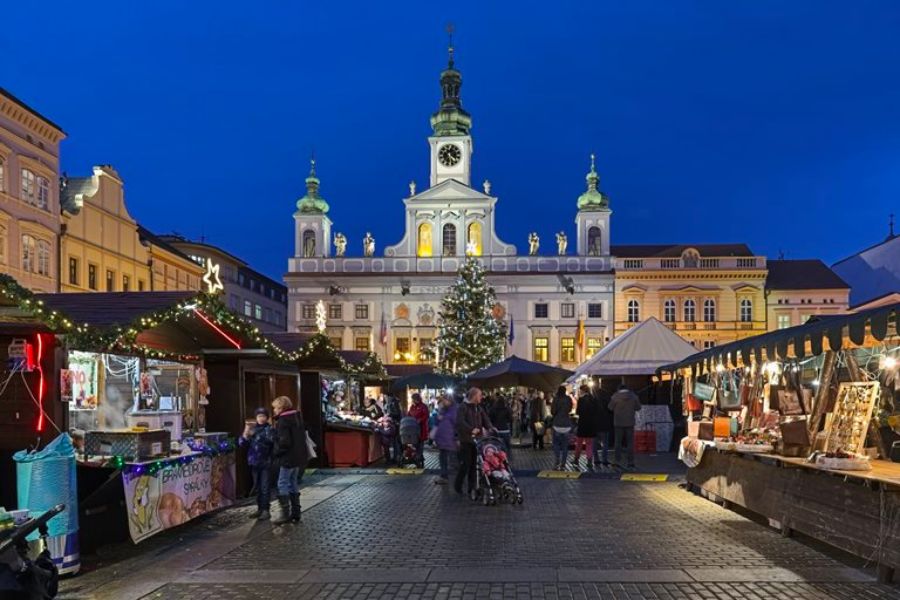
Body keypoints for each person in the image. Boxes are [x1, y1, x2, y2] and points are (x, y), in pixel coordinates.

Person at [271, 396, 309, 524]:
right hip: (298, 456)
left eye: (275, 408)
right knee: (293, 482)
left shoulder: (283, 421)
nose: (274, 410)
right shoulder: (297, 417)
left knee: (282, 483)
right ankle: (296, 513)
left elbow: (284, 442)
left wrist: (276, 452)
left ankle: (285, 514)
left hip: (287, 457)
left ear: (281, 408)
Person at [455, 387, 493, 497]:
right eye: (480, 395)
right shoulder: (463, 407)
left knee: (474, 465)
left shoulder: (478, 408)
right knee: (466, 465)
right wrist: (471, 429)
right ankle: (458, 485)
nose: (481, 397)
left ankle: (471, 488)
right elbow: (460, 422)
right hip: (466, 440)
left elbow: (485, 419)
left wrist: (490, 427)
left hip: (477, 441)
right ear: (474, 396)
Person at [240, 408, 275, 520]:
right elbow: (241, 443)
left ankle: (266, 510)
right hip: (254, 462)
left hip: (266, 462)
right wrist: (246, 432)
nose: (261, 418)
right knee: (258, 487)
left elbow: (270, 441)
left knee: (265, 486)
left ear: (267, 417)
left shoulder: (269, 429)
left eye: (263, 416)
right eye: (259, 416)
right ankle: (260, 509)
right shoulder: (252, 429)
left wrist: (255, 435)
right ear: (256, 418)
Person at [608, 383, 642, 469]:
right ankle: (630, 461)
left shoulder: (615, 396)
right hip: (630, 422)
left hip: (618, 422)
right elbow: (638, 408)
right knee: (630, 443)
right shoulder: (633, 396)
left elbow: (610, 407)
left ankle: (617, 461)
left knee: (617, 442)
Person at [431, 394, 458, 484]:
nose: (443, 402)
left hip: (448, 438)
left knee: (446, 458)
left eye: (445, 400)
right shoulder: (444, 411)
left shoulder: (452, 411)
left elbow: (455, 423)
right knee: (443, 457)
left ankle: (445, 476)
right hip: (444, 439)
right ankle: (444, 475)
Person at [573, 385, 598, 471]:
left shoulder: (581, 400)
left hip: (582, 424)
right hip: (591, 425)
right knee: (589, 444)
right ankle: (590, 461)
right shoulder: (593, 399)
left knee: (579, 443)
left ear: (583, 391)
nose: (580, 392)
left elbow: (578, 412)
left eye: (580, 391)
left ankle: (576, 459)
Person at [550, 386, 573, 470]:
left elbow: (553, 412)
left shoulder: (556, 399)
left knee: (556, 444)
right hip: (566, 424)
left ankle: (557, 461)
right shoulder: (568, 399)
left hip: (557, 424)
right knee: (565, 446)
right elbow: (570, 410)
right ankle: (563, 463)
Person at [593, 378, 614, 467]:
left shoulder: (592, 400)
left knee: (595, 443)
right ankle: (604, 460)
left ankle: (596, 459)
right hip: (605, 424)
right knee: (605, 443)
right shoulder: (607, 399)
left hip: (595, 425)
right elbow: (611, 410)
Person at [407, 393, 430, 465]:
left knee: (420, 444)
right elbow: (409, 414)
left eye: (413, 399)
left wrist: (420, 420)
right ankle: (418, 456)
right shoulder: (412, 407)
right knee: (415, 443)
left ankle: (419, 457)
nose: (413, 401)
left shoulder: (423, 406)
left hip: (421, 428)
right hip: (413, 428)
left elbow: (426, 415)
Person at [385, 395, 403, 463]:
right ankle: (397, 456)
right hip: (396, 424)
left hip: (396, 424)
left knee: (396, 441)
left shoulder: (393, 403)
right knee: (396, 441)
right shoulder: (395, 402)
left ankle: (397, 457)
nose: (385, 398)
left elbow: (396, 413)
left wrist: (389, 414)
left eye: (386, 397)